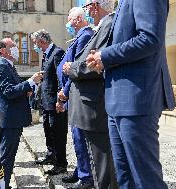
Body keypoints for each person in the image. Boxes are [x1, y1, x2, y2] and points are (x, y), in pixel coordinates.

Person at [86, 0, 175, 188]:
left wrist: (105, 55)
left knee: (145, 179)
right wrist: (102, 60)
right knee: (125, 178)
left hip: (137, 99)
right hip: (119, 100)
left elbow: (149, 38)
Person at [64, 0, 118, 188]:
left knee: (102, 164)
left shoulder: (109, 24)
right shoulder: (100, 27)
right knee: (97, 163)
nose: (86, 11)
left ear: (94, 7)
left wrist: (72, 68)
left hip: (93, 105)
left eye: (86, 7)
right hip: (88, 104)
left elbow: (95, 65)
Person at [0, 38, 43, 188]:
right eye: (12, 46)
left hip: (12, 118)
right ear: (3, 50)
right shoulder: (2, 66)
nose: (16, 48)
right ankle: (0, 186)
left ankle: (3, 184)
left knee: (9, 155)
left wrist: (26, 90)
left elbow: (15, 88)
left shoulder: (9, 65)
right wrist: (30, 82)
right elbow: (8, 92)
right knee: (6, 157)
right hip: (9, 119)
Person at [57, 7, 94, 189]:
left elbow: (76, 68)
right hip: (71, 93)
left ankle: (86, 177)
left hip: (74, 92)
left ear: (79, 19)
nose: (68, 23)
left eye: (70, 19)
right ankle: (80, 171)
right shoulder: (78, 37)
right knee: (76, 137)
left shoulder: (85, 36)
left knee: (80, 137)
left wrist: (64, 91)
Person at [31, 29, 68, 175]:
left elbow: (60, 78)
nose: (35, 46)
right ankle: (51, 156)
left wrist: (60, 100)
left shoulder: (57, 53)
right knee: (48, 130)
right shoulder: (46, 55)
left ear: (42, 41)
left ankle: (61, 163)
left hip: (55, 102)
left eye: (35, 43)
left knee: (58, 132)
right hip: (46, 102)